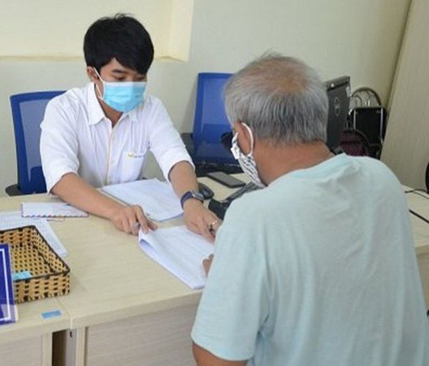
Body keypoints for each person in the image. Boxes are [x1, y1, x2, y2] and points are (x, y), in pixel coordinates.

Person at [191, 54, 429, 366]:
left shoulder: (255, 217)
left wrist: (225, 280)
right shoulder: (381, 178)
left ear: (245, 136)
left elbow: (216, 360)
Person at [40, 14, 218, 240]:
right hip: (80, 220)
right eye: (120, 77)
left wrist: (191, 200)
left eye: (139, 77)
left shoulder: (151, 108)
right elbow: (61, 178)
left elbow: (175, 157)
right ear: (93, 74)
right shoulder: (63, 109)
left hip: (130, 227)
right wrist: (115, 211)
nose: (131, 86)